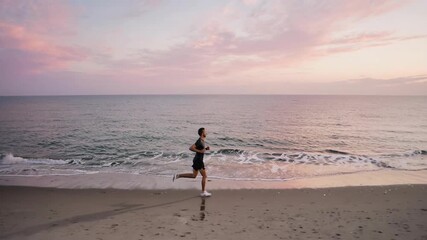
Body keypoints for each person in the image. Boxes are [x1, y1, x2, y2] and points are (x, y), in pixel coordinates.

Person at [173, 127, 212, 197]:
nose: (206, 132)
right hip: (198, 161)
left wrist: (205, 148)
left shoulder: (202, 141)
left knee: (194, 176)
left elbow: (201, 149)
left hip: (196, 160)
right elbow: (191, 148)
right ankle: (203, 192)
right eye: (205, 132)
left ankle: (178, 175)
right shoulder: (199, 141)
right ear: (202, 133)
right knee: (205, 176)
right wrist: (200, 151)